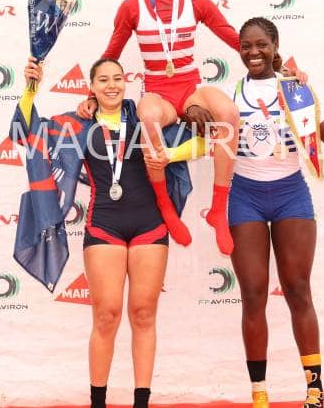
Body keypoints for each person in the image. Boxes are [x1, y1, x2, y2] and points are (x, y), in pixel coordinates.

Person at [148, 18, 324, 407]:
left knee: (298, 289)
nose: (254, 52)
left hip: (291, 194)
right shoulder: (232, 97)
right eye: (246, 46)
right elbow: (200, 125)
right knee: (254, 293)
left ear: (275, 45)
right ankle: (259, 394)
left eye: (261, 44)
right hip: (245, 196)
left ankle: (314, 390)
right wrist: (189, 121)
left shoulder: (295, 90)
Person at [77, 0, 305, 256]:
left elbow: (235, 39)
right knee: (148, 118)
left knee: (228, 113)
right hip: (158, 90)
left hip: (189, 88)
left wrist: (283, 69)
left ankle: (218, 210)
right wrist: (90, 96)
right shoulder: (132, 7)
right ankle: (166, 209)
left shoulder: (195, 2)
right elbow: (112, 52)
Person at [18, 56, 199, 408]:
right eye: (103, 80)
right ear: (92, 87)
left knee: (143, 314)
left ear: (125, 82)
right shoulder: (79, 124)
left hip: (150, 225)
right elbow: (27, 132)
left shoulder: (146, 116)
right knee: (106, 316)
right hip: (104, 225)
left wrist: (171, 154)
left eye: (117, 78)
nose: (112, 85)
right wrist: (31, 88)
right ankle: (98, 403)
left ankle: (141, 403)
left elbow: (205, 140)